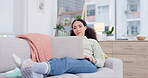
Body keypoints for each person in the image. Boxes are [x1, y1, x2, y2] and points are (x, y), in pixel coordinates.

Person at [12, 19, 105, 78]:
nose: (77, 29)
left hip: (88, 64)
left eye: (80, 26)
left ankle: (30, 65)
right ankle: (37, 75)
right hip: (73, 62)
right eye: (75, 27)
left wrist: (93, 59)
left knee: (67, 61)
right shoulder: (69, 40)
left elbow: (101, 61)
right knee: (57, 60)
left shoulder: (92, 42)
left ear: (85, 27)